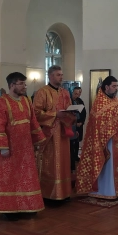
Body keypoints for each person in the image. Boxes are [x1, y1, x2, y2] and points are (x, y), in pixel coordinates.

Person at [0, 72, 46, 220]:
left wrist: (39, 140)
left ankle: (28, 206)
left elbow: (33, 122)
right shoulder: (0, 103)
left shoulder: (26, 101)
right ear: (12, 85)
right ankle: (9, 209)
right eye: (21, 84)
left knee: (26, 178)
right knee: (8, 178)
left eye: (24, 84)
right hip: (9, 149)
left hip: (26, 149)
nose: (24, 87)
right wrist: (2, 146)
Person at [76, 76, 118, 199]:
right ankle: (107, 191)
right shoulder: (99, 103)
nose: (116, 89)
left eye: (117, 86)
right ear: (106, 87)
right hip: (108, 142)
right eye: (114, 86)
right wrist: (110, 132)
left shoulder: (116, 101)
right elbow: (98, 124)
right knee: (109, 166)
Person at [33, 65, 75, 201]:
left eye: (62, 74)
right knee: (50, 164)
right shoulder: (42, 92)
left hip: (63, 132)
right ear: (50, 76)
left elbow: (69, 109)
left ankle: (64, 192)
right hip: (49, 134)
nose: (61, 77)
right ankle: (49, 194)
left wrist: (72, 113)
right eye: (58, 75)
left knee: (64, 162)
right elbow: (36, 113)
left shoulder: (65, 93)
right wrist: (54, 114)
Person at [70, 87, 86, 172]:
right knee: (71, 145)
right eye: (76, 93)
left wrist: (81, 122)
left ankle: (76, 157)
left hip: (78, 124)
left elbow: (83, 113)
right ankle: (72, 162)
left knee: (77, 141)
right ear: (72, 92)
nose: (77, 95)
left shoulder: (80, 101)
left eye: (79, 93)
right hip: (72, 125)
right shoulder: (69, 101)